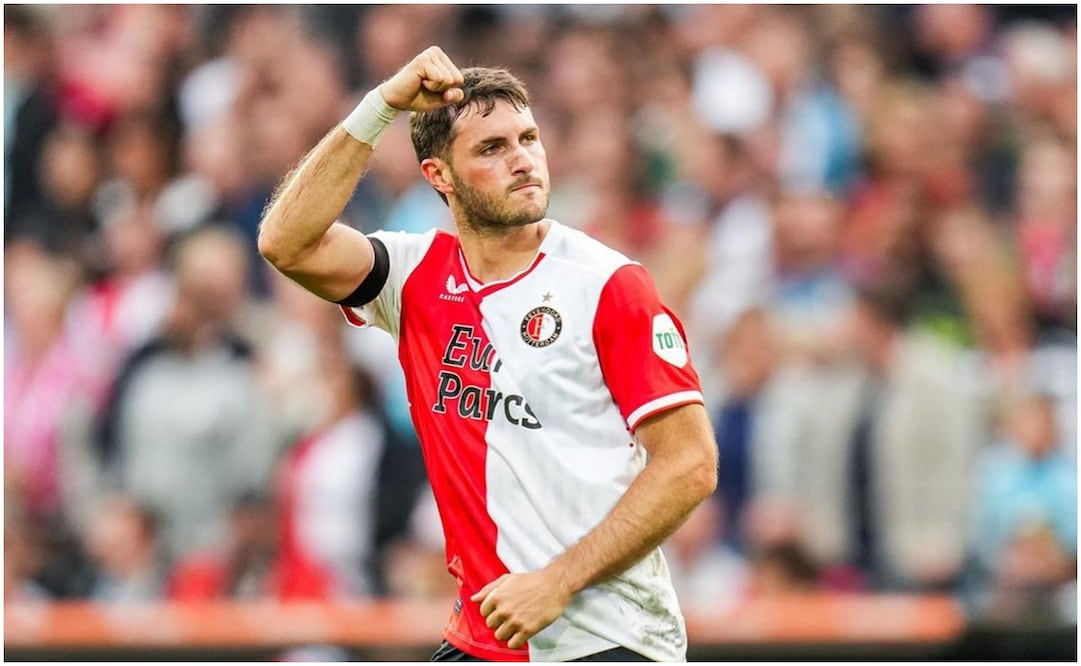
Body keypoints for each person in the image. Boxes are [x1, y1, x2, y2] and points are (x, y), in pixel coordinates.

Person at [258, 46, 718, 662]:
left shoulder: (607, 284)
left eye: (529, 138)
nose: (523, 160)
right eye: (492, 148)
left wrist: (557, 580)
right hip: (484, 637)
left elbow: (690, 463)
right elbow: (285, 242)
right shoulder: (414, 277)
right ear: (438, 175)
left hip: (607, 639)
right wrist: (381, 106)